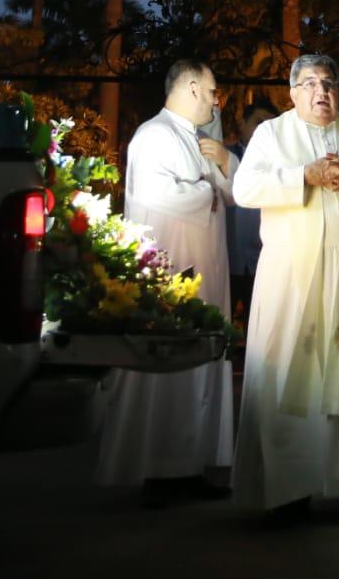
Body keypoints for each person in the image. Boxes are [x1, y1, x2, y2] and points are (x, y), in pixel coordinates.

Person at [230, 54, 339, 522]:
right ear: (292, 93)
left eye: (328, 82)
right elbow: (244, 189)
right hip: (293, 279)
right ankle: (289, 491)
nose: (321, 91)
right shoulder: (273, 134)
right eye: (309, 83)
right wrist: (303, 176)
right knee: (292, 377)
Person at [93, 60, 236, 505]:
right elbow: (155, 195)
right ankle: (160, 468)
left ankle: (191, 464)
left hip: (205, 265)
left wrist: (219, 172)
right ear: (192, 88)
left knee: (200, 364)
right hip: (171, 268)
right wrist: (206, 191)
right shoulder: (153, 135)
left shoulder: (199, 139)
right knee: (168, 368)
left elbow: (231, 192)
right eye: (212, 91)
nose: (216, 100)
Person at [226, 98, 278, 318]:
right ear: (243, 124)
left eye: (270, 126)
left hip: (265, 265)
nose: (263, 131)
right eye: (258, 122)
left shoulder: (283, 167)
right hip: (227, 259)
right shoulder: (224, 157)